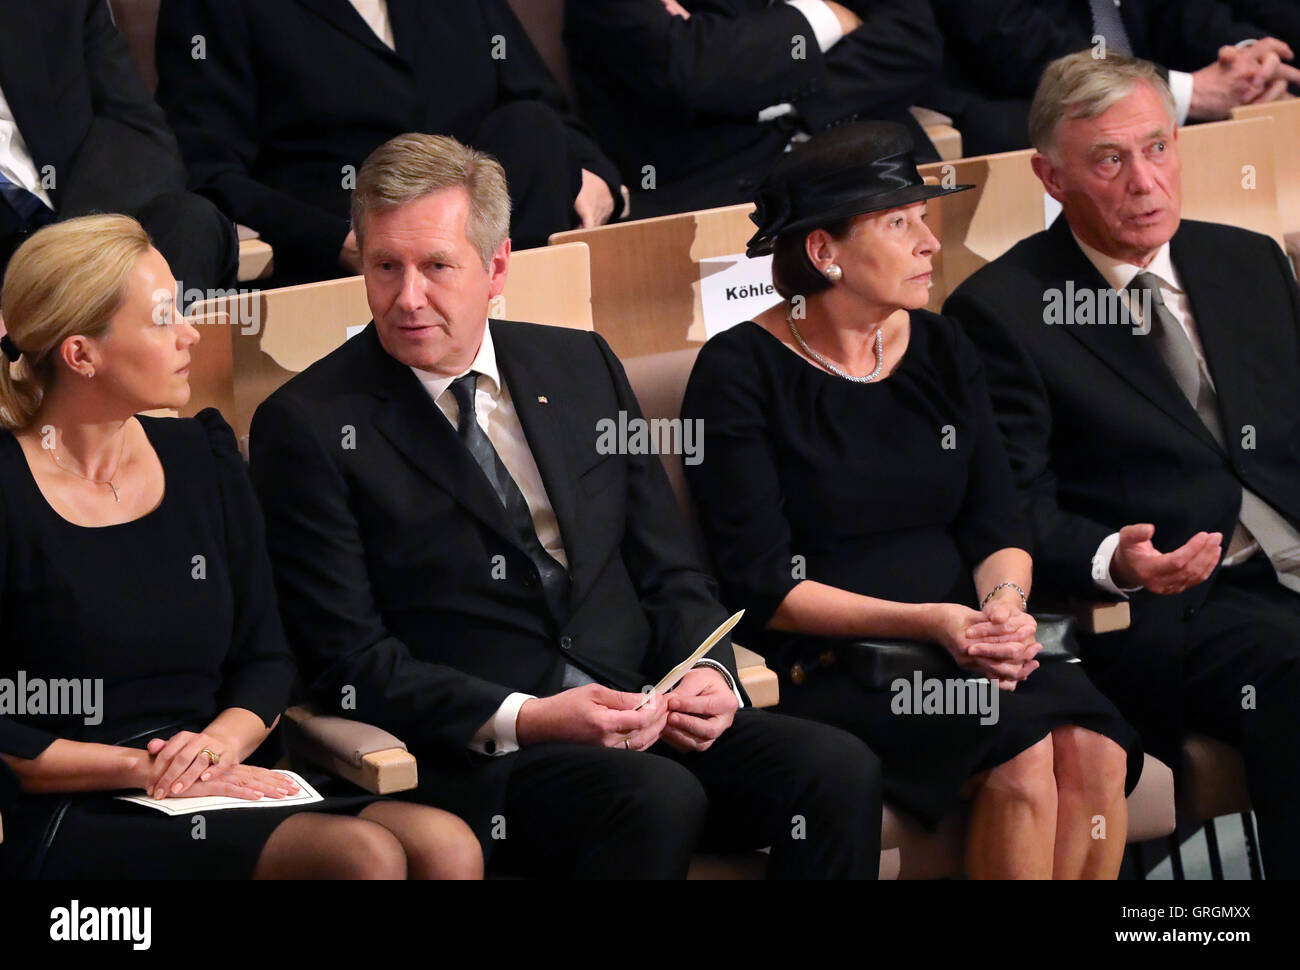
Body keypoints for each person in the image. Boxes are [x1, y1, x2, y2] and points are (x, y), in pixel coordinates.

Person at [248, 132, 882, 879]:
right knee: (654, 797)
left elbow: (669, 570)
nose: (407, 296)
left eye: (436, 266)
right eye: (386, 267)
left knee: (837, 769)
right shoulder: (311, 423)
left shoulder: (579, 363)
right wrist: (531, 717)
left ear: (497, 266)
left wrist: (708, 672)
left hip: (643, 712)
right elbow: (347, 659)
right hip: (482, 756)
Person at [682, 121, 1143, 879]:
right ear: (824, 252)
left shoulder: (941, 346)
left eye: (924, 220)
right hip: (843, 658)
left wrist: (1004, 606)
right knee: (1024, 760)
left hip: (971, 632)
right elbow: (762, 582)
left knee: (1095, 750)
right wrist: (934, 623)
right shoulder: (739, 373)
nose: (930, 243)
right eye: (900, 223)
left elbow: (999, 514)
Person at [0, 215, 481, 880]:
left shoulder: (202, 455)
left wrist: (220, 748)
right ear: (82, 354)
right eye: (163, 319)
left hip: (221, 773)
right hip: (82, 809)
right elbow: (10, 732)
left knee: (448, 844)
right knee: (361, 857)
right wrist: (152, 770)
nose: (189, 334)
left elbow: (266, 656)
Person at [944, 51, 1300, 878]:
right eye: (1110, 159)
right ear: (1052, 176)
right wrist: (1119, 561)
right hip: (1179, 605)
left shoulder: (1247, 263)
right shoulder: (1002, 313)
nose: (1146, 182)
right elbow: (1014, 508)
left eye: (1157, 149)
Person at [155, 0, 625, 286]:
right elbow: (211, 171)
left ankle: (527, 356)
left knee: (529, 128)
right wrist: (339, 241)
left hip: (491, 232)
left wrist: (597, 175)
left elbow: (538, 100)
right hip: (346, 254)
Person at [564, 0, 941, 219]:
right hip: (708, 186)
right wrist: (825, 16)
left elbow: (913, 40)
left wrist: (770, 87)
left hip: (864, 147)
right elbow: (689, 67)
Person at [0, 0, 235, 297]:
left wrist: (71, 245)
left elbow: (138, 129)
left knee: (189, 222)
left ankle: (149, 338)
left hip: (74, 218)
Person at [928, 0, 1300, 155]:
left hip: (1161, 108)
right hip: (1023, 110)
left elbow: (1182, 12)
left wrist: (1246, 60)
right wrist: (1185, 92)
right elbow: (1019, 48)